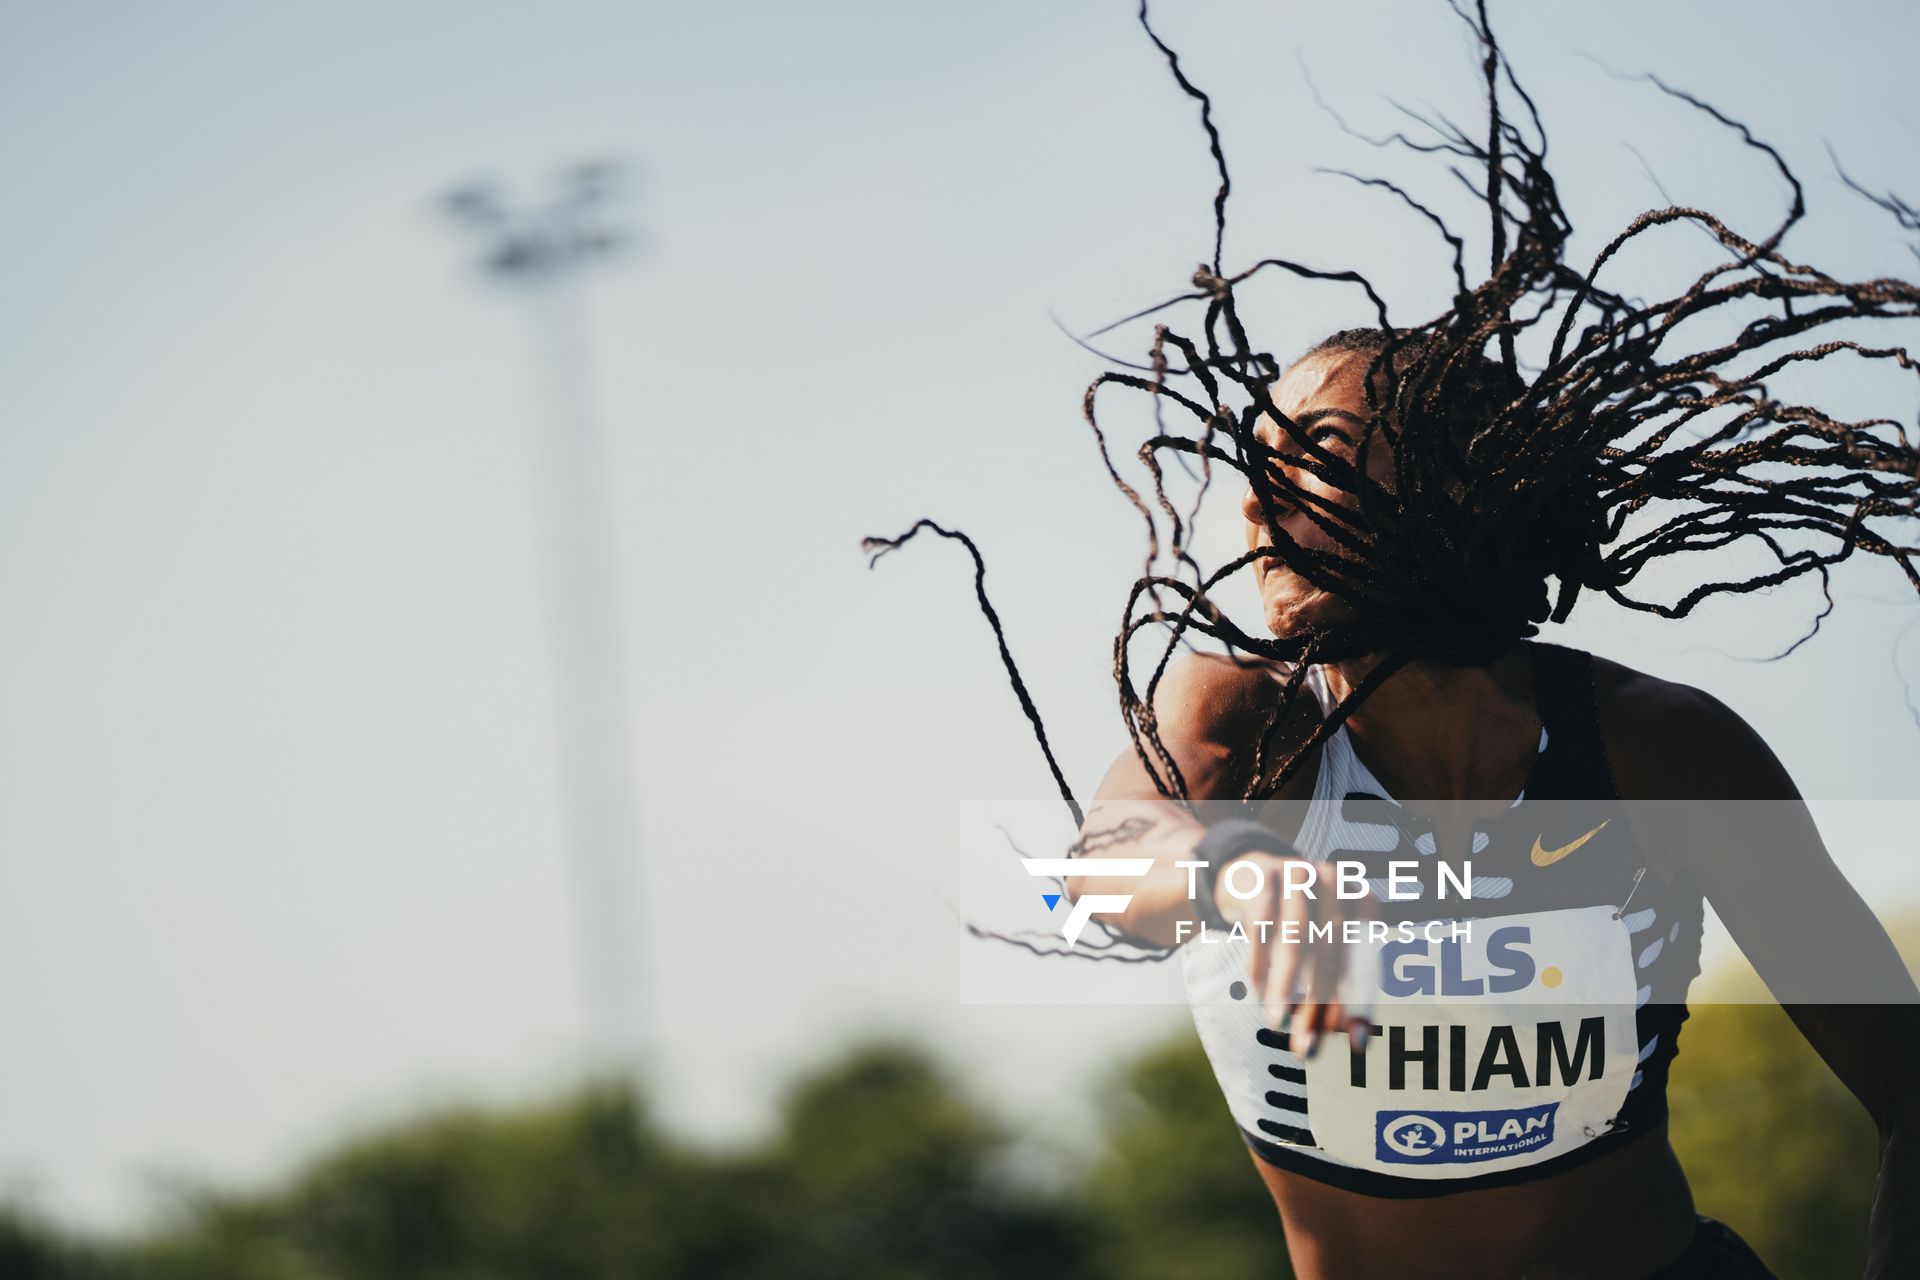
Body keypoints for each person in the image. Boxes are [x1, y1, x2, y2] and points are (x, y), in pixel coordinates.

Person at [1064, 330, 1920, 1279]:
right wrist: (1235, 876)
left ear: (1466, 484)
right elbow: (1098, 872)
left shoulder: (1659, 751)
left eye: (1315, 455)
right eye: (1259, 470)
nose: (1257, 502)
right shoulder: (1249, 719)